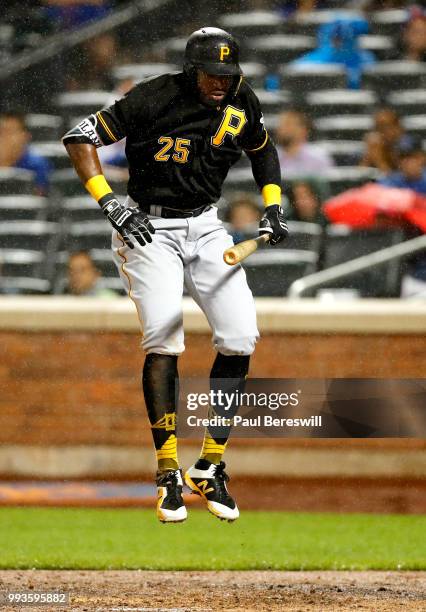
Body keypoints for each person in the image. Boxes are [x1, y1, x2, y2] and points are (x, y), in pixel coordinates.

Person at [62, 27, 288, 523]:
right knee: (164, 338)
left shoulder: (240, 97)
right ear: (191, 70)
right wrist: (110, 204)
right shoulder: (153, 95)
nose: (220, 84)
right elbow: (78, 139)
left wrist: (273, 206)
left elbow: (263, 149)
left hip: (206, 225)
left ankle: (209, 465)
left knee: (241, 336)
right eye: (212, 74)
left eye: (227, 76)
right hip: (148, 225)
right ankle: (167, 470)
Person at [293, 18, 376, 89]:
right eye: (334, 38)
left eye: (341, 39)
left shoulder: (366, 59)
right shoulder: (312, 61)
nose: (337, 43)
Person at [0, 112, 52, 195]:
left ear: (25, 136)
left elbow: (39, 199)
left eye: (10, 132)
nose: (4, 137)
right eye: (1, 132)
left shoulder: (38, 165)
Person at [275, 110, 334, 178]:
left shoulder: (318, 157)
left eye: (288, 124)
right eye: (280, 124)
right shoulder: (269, 157)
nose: (281, 128)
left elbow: (326, 185)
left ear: (303, 130)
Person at [360, 108, 413, 174]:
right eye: (379, 127)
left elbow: (410, 172)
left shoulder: (408, 142)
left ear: (398, 126)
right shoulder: (375, 144)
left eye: (388, 125)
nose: (383, 131)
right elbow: (362, 171)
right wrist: (375, 153)